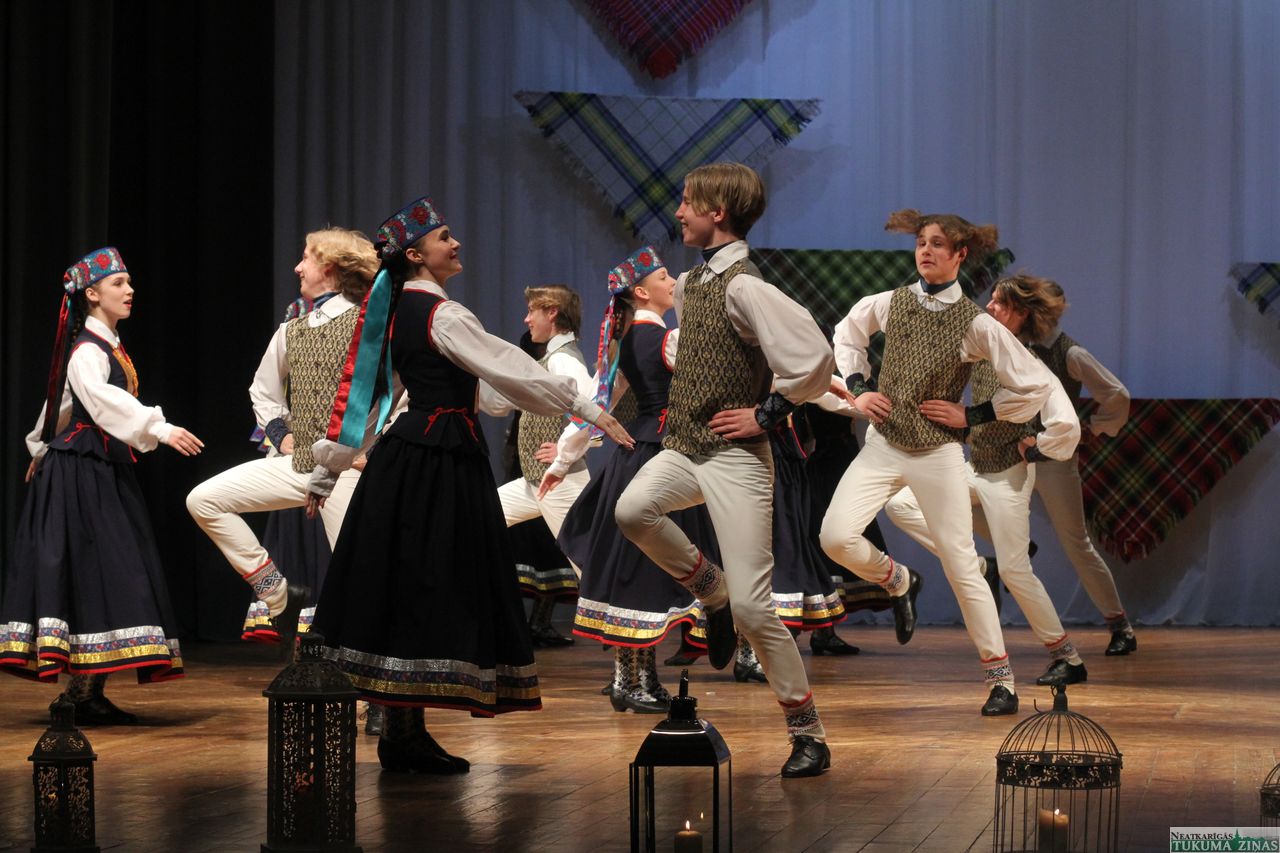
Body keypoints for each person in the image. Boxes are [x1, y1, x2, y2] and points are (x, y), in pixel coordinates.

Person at [304, 197, 632, 774]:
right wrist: (588, 407)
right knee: (432, 580)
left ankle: (403, 731)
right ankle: (402, 733)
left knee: (407, 583)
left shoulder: (396, 308)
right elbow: (510, 368)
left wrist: (328, 470)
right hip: (438, 460)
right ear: (415, 255)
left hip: (411, 456)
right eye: (443, 238)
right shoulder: (440, 314)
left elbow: (370, 398)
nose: (455, 244)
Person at [615, 163, 836, 777]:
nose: (678, 212)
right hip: (688, 447)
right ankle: (711, 590)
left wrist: (766, 413)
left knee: (757, 611)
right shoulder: (691, 284)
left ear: (718, 213)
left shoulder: (746, 286)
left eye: (687, 202)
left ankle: (808, 734)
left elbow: (814, 358)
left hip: (737, 459)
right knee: (632, 510)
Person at [821, 209, 1056, 716]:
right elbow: (846, 334)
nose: (925, 251)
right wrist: (860, 387)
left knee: (961, 565)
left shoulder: (975, 322)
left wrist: (974, 414)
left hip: (938, 453)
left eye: (937, 244)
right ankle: (898, 580)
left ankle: (1001, 680)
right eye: (921, 243)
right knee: (834, 537)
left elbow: (1034, 385)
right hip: (884, 445)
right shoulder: (892, 301)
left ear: (960, 255)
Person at [1, 247, 201, 723]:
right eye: (118, 284)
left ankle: (86, 692)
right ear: (92, 294)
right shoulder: (88, 350)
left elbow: (61, 404)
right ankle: (77, 694)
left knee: (107, 567)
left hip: (97, 467)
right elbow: (98, 399)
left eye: (128, 283)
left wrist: (40, 445)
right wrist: (159, 427)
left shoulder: (104, 346)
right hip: (80, 471)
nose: (129, 291)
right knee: (96, 566)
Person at [884, 273, 1087, 688]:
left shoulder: (1030, 362)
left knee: (1016, 572)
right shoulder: (981, 348)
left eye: (1000, 303)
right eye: (990, 299)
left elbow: (1067, 423)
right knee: (900, 503)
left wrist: (1039, 447)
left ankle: (1068, 657)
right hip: (974, 468)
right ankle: (977, 564)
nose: (989, 307)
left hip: (1008, 475)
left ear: (1021, 314)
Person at [186, 228, 378, 653]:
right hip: (301, 465)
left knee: (362, 576)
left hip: (349, 470)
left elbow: (397, 396)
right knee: (204, 500)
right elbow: (263, 391)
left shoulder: (370, 325)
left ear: (329, 267)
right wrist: (283, 436)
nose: (297, 267)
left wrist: (375, 451)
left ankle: (379, 682)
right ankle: (277, 594)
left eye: (306, 258)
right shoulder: (292, 330)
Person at [543, 245, 714, 713]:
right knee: (648, 568)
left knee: (636, 567)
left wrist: (563, 460)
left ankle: (632, 678)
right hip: (659, 458)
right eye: (664, 276)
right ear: (641, 291)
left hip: (635, 455)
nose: (672, 281)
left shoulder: (625, 341)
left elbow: (598, 405)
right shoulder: (666, 338)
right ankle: (632, 680)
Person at [1027, 281, 1137, 656]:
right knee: (967, 504)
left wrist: (1095, 427)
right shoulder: (1015, 345)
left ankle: (1120, 626)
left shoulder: (1070, 353)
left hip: (1054, 461)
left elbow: (1117, 394)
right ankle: (1011, 550)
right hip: (1014, 456)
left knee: (1077, 544)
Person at [492, 285, 595, 646]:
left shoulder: (564, 359)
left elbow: (593, 409)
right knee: (481, 518)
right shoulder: (551, 357)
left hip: (560, 483)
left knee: (589, 565)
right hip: (537, 483)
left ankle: (631, 652)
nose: (526, 319)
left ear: (552, 312)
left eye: (531, 311)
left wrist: (565, 451)